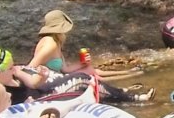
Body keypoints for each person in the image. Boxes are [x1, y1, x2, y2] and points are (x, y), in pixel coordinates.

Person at [21, 9, 154, 103]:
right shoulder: (50, 44)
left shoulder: (55, 42)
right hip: (49, 84)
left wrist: (81, 63)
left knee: (88, 70)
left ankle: (125, 83)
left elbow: (65, 69)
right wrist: (41, 82)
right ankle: (132, 96)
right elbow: (30, 67)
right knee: (86, 79)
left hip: (57, 78)